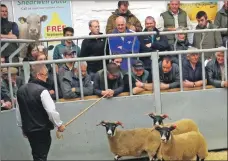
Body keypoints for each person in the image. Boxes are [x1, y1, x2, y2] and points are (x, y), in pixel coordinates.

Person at [16, 63, 65, 161]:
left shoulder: (20, 91)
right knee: (41, 157)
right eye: (45, 75)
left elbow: (19, 112)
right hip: (42, 130)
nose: (47, 78)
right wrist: (59, 124)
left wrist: (22, 127)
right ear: (38, 75)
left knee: (37, 155)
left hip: (29, 130)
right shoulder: (43, 91)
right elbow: (51, 111)